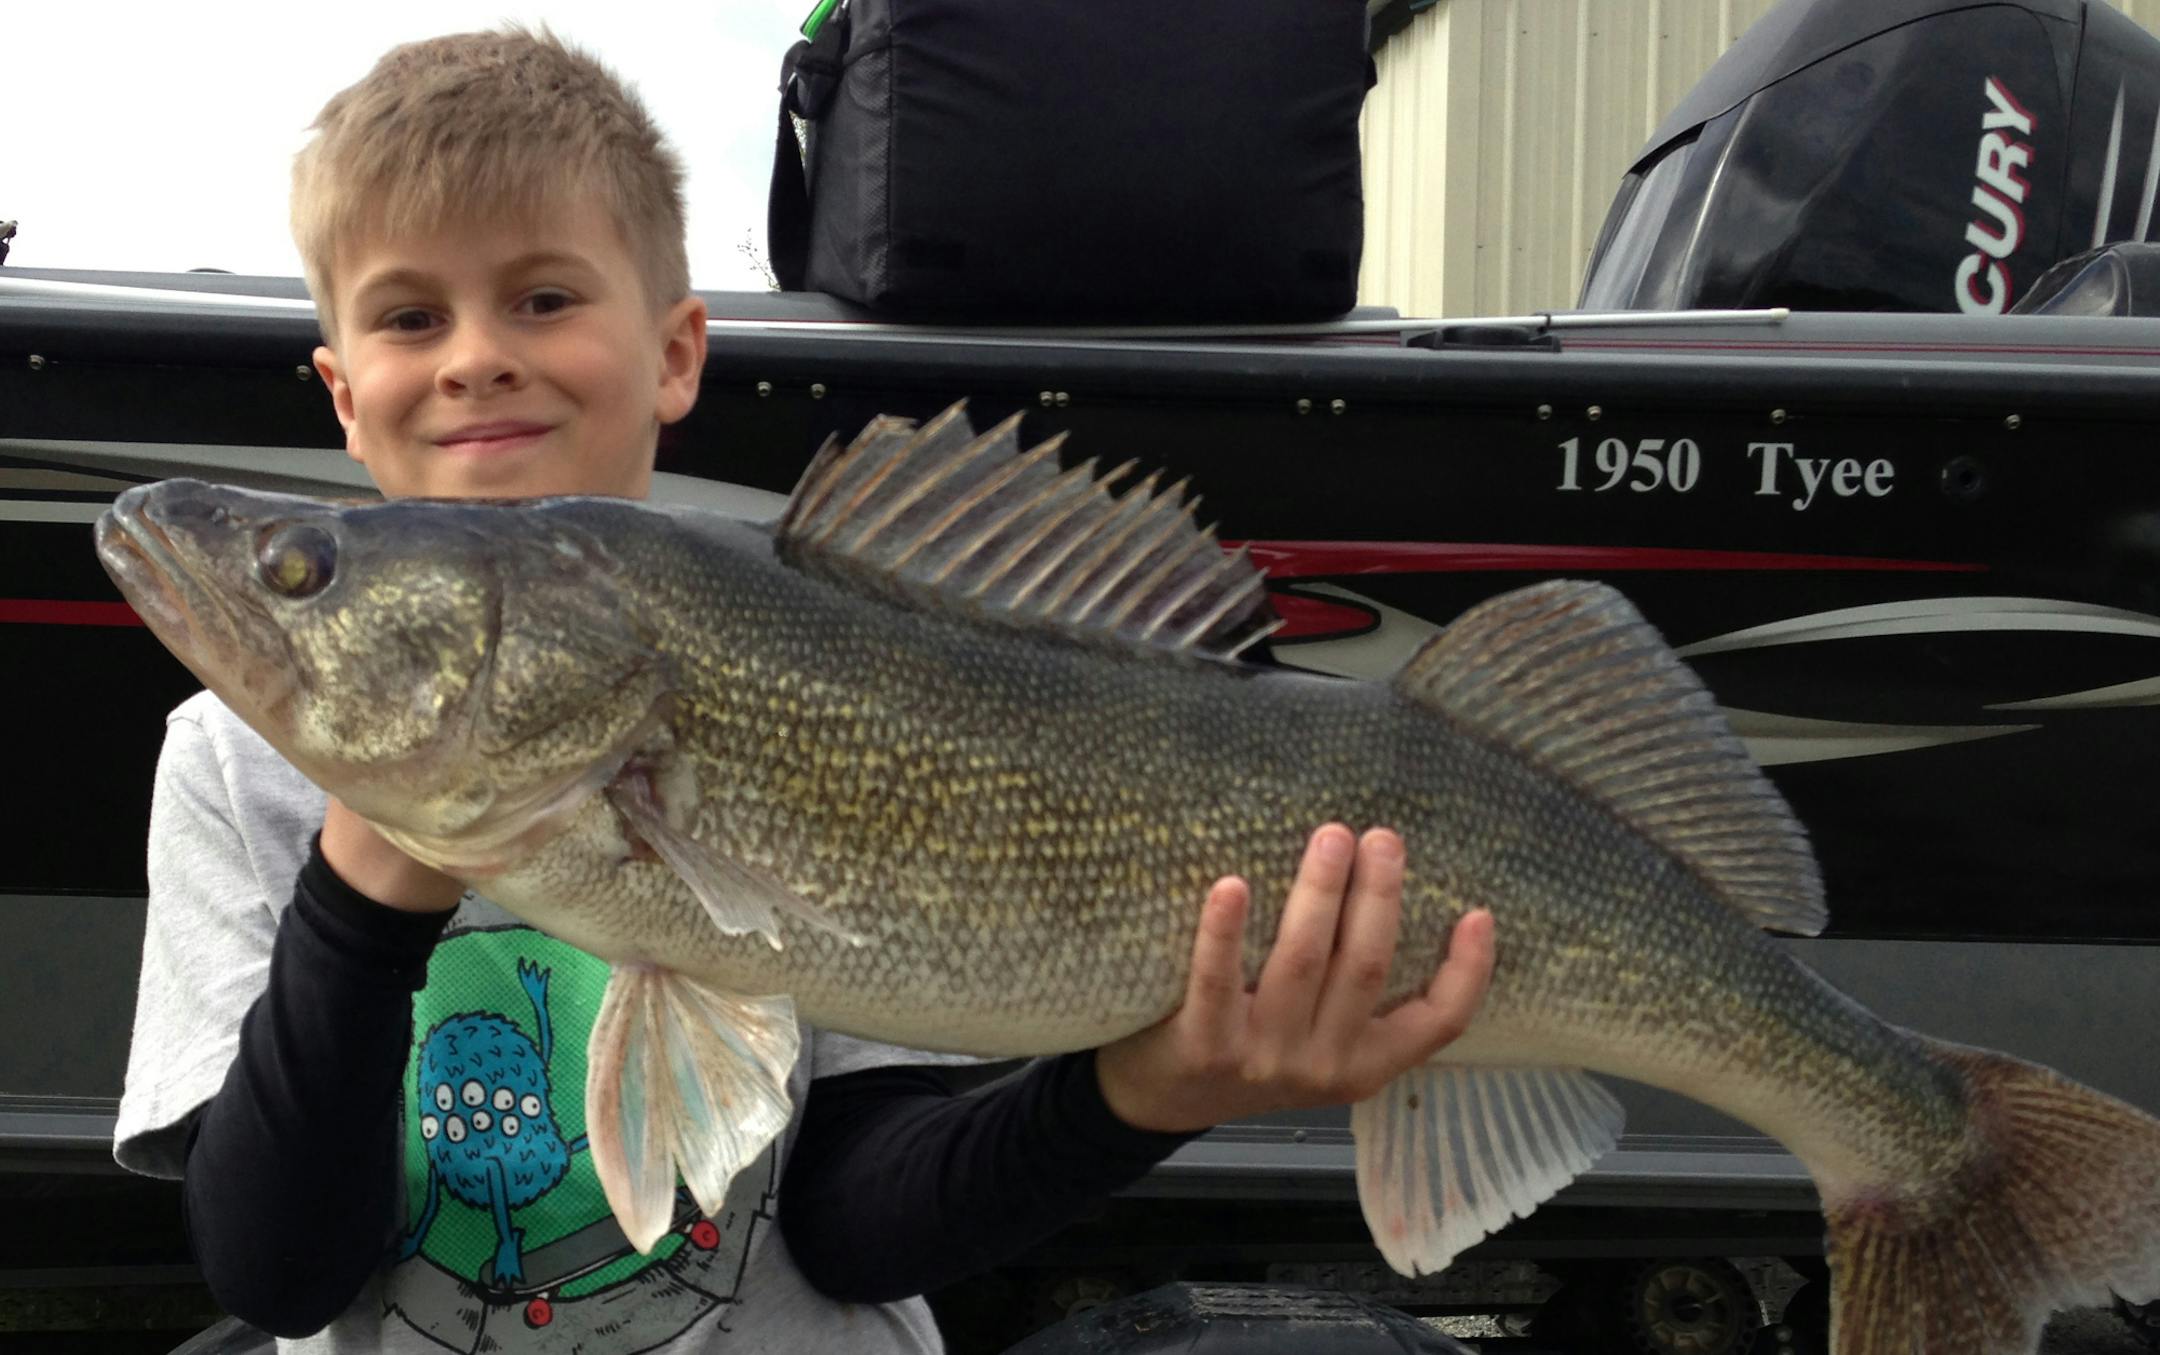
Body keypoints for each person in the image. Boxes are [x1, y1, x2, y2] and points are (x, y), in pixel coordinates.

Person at [110, 27, 1497, 1354]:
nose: (477, 355)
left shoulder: (818, 634)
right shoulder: (231, 769)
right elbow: (278, 1273)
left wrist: (1147, 1090)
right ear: (343, 396)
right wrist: (363, 892)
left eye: (543, 299)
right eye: (412, 317)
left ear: (675, 353)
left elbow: (854, 1226)